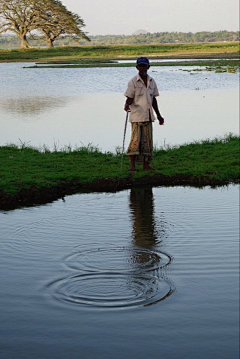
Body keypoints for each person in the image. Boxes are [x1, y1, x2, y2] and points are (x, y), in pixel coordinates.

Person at [124, 57, 164, 171]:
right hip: (137, 116)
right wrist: (127, 105)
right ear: (137, 68)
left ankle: (146, 165)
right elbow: (129, 97)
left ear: (148, 67)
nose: (142, 68)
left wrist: (159, 115)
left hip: (148, 116)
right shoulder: (133, 82)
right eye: (140, 66)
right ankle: (132, 166)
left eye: (144, 66)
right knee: (135, 142)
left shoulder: (152, 81)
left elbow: (154, 100)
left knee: (147, 142)